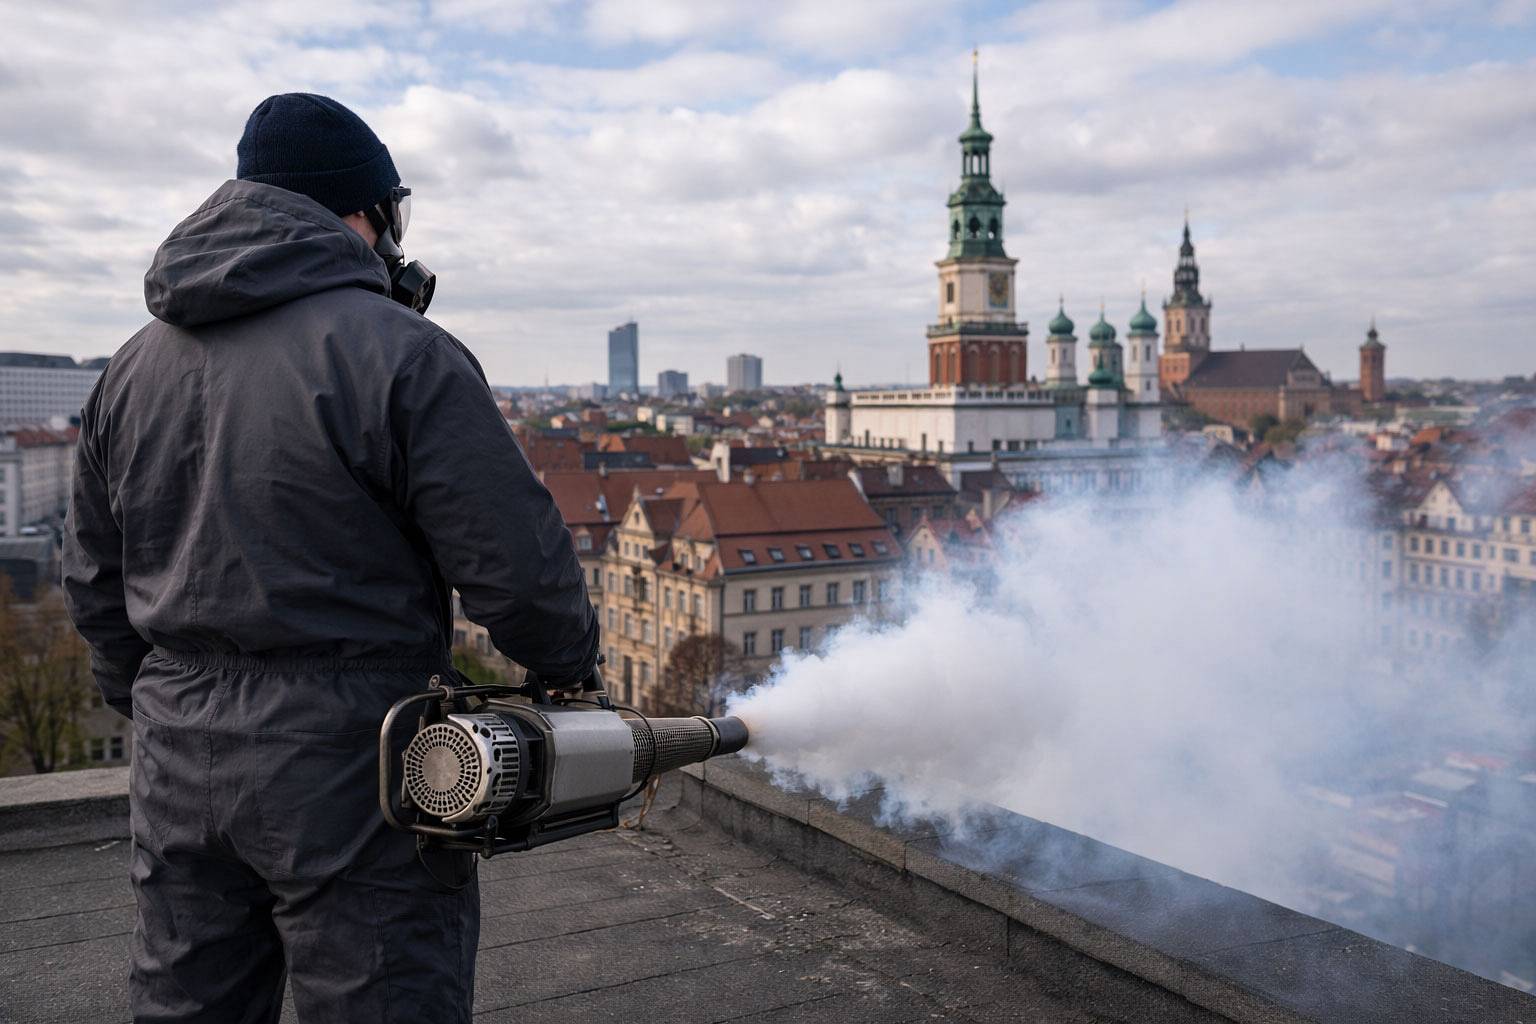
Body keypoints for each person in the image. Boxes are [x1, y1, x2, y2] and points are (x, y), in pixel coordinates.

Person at [62, 93, 598, 1023]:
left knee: (188, 1002)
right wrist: (569, 670)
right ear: (365, 214)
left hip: (178, 753)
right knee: (380, 993)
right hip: (359, 760)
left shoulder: (129, 367)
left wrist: (156, 699)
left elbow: (94, 579)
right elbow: (517, 568)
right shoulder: (403, 352)